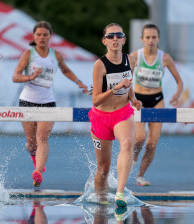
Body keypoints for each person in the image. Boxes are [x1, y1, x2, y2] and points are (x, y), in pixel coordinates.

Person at [12, 21, 88, 187]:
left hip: (47, 102)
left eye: (45, 35)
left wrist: (79, 82)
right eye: (38, 34)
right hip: (27, 101)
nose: (41, 37)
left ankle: (38, 171)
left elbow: (65, 70)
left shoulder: (56, 55)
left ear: (50, 37)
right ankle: (35, 158)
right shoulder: (28, 54)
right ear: (34, 36)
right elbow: (15, 76)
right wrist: (30, 77)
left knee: (42, 138)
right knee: (31, 142)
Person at [88, 23, 142, 207]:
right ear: (104, 41)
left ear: (124, 39)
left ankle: (119, 193)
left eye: (118, 35)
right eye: (110, 36)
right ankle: (100, 201)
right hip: (101, 117)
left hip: (122, 114)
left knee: (127, 144)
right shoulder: (99, 65)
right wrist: (116, 88)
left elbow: (129, 84)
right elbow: (95, 100)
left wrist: (133, 98)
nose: (115, 39)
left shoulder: (131, 60)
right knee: (103, 167)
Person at [130, 24, 183, 186]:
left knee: (152, 144)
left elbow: (179, 82)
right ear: (142, 39)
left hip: (157, 100)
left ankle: (140, 176)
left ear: (158, 39)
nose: (151, 40)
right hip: (139, 100)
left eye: (154, 37)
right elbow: (125, 78)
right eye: (147, 37)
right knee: (139, 138)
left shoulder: (165, 58)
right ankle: (133, 157)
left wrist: (177, 95)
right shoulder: (135, 56)